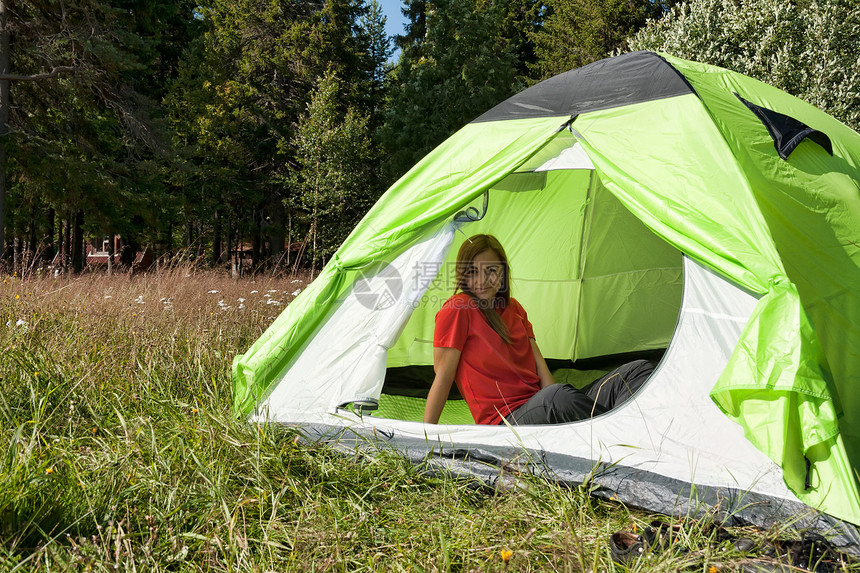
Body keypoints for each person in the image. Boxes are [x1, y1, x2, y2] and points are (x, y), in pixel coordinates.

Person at [423, 234, 655, 426]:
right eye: (473, 272)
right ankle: (622, 435)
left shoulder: (514, 309)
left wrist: (563, 404)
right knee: (558, 398)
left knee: (637, 370)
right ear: (463, 275)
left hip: (544, 404)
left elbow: (543, 374)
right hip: (506, 423)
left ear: (502, 273)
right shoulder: (458, 309)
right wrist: (424, 438)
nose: (482, 280)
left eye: (491, 270)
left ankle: (632, 428)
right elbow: (443, 378)